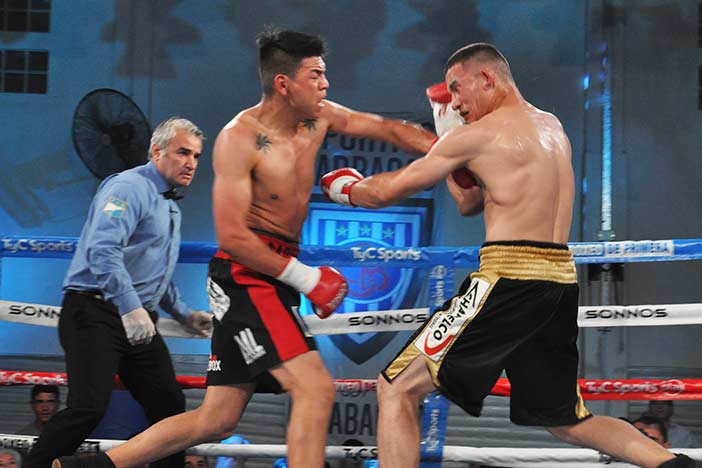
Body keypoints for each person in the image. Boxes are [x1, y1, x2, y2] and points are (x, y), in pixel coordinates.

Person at [53, 28, 435, 468]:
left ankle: (89, 466)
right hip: (246, 276)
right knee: (314, 388)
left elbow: (386, 129)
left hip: (273, 275)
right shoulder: (241, 137)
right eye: (315, 75)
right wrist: (307, 279)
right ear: (283, 83)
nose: (325, 84)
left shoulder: (322, 117)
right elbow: (234, 237)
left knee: (215, 420)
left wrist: (445, 148)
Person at [320, 43, 700, 468]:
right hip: (557, 282)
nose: (455, 103)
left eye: (456, 89)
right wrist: (451, 146)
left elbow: (386, 192)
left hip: (506, 277)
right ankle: (676, 465)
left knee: (396, 387)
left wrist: (346, 188)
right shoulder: (552, 126)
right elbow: (471, 202)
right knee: (567, 419)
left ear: (488, 78)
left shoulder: (476, 136)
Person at [25, 117, 213, 468]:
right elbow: (102, 251)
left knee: (169, 407)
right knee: (88, 408)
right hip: (95, 313)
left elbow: (155, 272)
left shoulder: (169, 204)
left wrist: (184, 313)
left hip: (138, 320)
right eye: (183, 152)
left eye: (198, 156)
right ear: (157, 151)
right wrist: (130, 308)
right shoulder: (128, 188)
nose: (191, 163)